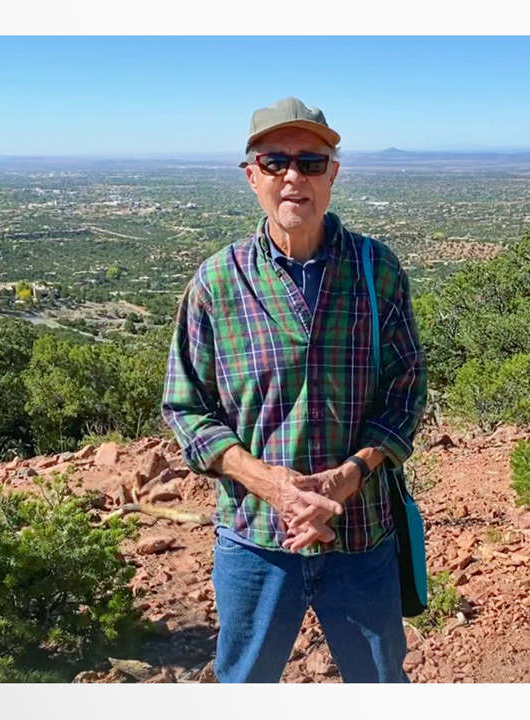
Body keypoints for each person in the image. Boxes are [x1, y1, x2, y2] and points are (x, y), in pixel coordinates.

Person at [161, 97, 427, 683]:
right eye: (274, 161)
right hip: (255, 538)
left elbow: (406, 391)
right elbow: (185, 407)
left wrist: (350, 474)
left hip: (361, 534)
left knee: (380, 686)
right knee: (246, 686)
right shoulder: (217, 281)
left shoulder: (377, 270)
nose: (292, 176)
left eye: (310, 162)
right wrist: (271, 484)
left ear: (333, 174)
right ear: (251, 175)